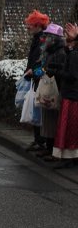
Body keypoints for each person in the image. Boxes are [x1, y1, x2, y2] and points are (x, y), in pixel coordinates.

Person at [36, 23, 66, 161]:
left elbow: (60, 71)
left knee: (53, 121)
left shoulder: (60, 52)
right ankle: (48, 147)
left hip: (55, 91)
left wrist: (47, 71)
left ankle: (52, 149)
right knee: (47, 120)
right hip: (49, 90)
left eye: (47, 36)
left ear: (53, 39)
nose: (44, 38)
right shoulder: (50, 51)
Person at [51, 23, 78, 165]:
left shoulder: (74, 54)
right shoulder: (72, 53)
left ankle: (68, 156)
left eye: (68, 41)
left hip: (72, 95)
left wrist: (55, 72)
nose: (66, 44)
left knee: (68, 128)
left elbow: (72, 75)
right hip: (71, 94)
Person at [23, 10, 50, 151]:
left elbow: (44, 62)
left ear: (38, 25)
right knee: (35, 108)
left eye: (30, 24)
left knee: (39, 110)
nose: (28, 27)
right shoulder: (37, 39)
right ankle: (38, 140)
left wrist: (34, 71)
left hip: (40, 79)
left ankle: (41, 141)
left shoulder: (43, 40)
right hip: (35, 78)